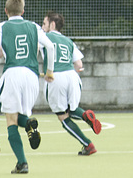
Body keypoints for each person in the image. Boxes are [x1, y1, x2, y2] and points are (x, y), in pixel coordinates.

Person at [0, 0, 55, 174]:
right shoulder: (34, 26)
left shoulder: (1, 27)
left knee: (11, 120)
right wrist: (50, 71)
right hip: (32, 76)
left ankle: (22, 163)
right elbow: (50, 47)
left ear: (6, 11)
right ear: (23, 11)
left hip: (12, 74)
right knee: (21, 116)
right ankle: (29, 124)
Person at [41, 11, 101, 156]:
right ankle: (86, 115)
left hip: (56, 77)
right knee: (72, 109)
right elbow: (79, 64)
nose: (42, 27)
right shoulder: (68, 41)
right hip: (73, 76)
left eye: (44, 23)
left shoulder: (43, 37)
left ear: (52, 24)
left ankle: (88, 144)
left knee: (62, 115)